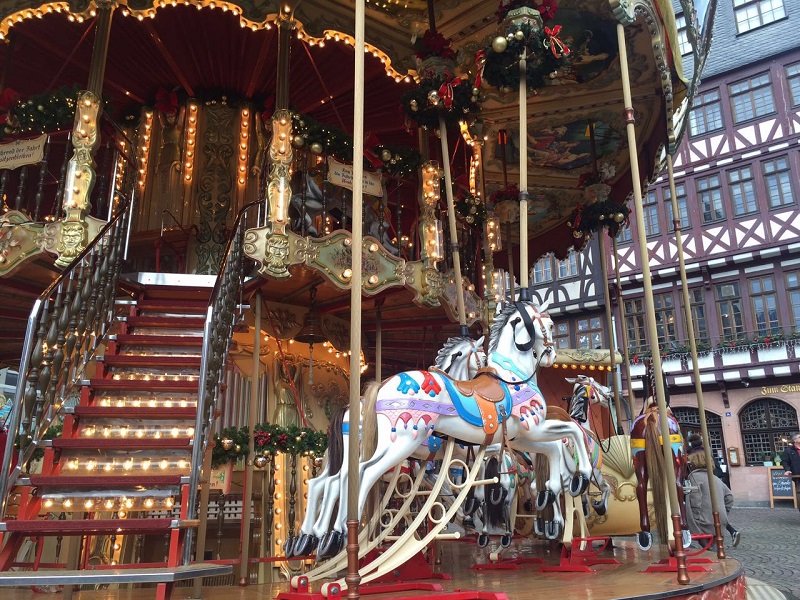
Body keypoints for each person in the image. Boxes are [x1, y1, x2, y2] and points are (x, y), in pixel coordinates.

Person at [685, 439, 740, 548]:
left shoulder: (694, 478)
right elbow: (729, 497)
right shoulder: (715, 478)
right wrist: (723, 512)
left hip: (704, 522)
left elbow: (695, 501)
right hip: (720, 520)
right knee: (715, 546)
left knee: (708, 547)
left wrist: (695, 520)